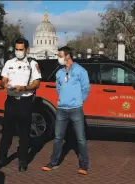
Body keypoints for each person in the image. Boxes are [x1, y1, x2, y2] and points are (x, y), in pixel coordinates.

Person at [41, 46, 90, 175]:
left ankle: (84, 165)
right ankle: (53, 162)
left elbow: (86, 89)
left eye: (60, 55)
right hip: (61, 109)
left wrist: (78, 100)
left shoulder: (80, 71)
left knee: (80, 138)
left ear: (68, 56)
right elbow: (58, 88)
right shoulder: (59, 72)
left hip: (76, 109)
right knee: (58, 138)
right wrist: (63, 98)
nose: (59, 58)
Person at [0, 38, 41, 172]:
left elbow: (36, 83)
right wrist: (5, 84)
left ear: (26, 50)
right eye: (17, 49)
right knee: (7, 132)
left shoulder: (33, 64)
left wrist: (25, 88)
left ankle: (22, 161)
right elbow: (2, 80)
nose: (18, 51)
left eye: (21, 49)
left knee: (24, 133)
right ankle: (1, 158)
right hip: (10, 101)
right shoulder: (9, 63)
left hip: (25, 102)